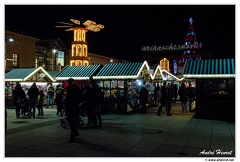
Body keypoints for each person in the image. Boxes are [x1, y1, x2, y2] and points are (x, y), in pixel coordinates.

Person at [64, 78, 83, 143]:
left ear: (72, 82)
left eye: (69, 82)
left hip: (73, 108)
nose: (69, 83)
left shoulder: (75, 89)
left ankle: (72, 137)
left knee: (73, 122)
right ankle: (75, 132)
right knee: (71, 122)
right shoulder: (70, 89)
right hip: (71, 107)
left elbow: (80, 98)